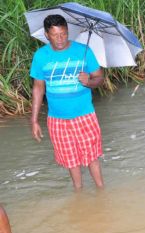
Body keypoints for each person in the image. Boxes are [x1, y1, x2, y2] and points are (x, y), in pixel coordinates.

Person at [30, 14, 105, 190]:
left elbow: (99, 78)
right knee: (70, 160)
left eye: (63, 34)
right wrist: (34, 121)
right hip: (57, 119)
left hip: (84, 115)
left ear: (67, 31)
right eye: (55, 35)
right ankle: (78, 192)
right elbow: (38, 88)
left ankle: (101, 190)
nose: (60, 39)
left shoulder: (83, 50)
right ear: (47, 35)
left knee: (91, 156)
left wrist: (89, 81)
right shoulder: (41, 56)